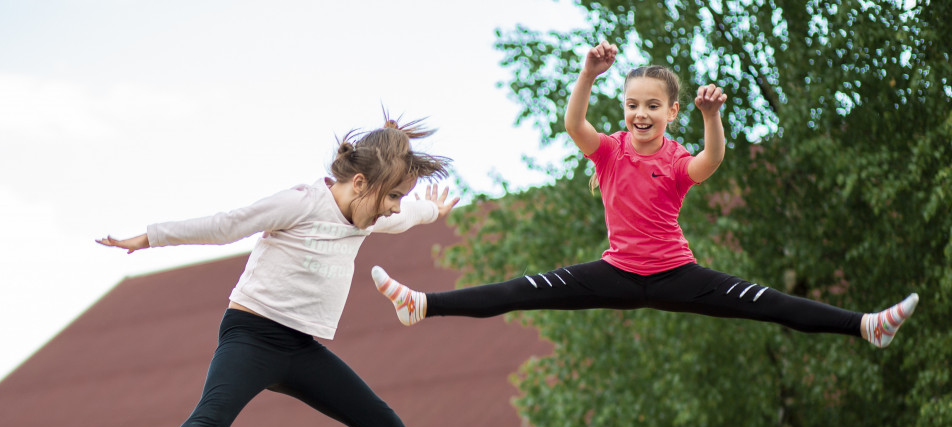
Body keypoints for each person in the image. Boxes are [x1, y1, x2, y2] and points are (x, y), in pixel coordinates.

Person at [96, 118, 523, 427]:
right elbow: (226, 225)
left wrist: (432, 210)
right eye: (391, 195)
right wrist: (149, 237)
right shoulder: (300, 202)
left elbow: (407, 215)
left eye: (398, 197)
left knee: (385, 425)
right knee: (213, 415)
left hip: (300, 348)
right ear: (359, 183)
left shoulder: (368, 215)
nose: (393, 206)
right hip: (250, 335)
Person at [371, 41, 918, 349]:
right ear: (625, 109)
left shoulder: (677, 157)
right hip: (616, 272)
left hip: (678, 275)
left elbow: (711, 162)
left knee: (767, 303)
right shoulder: (609, 150)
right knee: (523, 290)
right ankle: (421, 305)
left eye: (652, 106)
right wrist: (588, 72)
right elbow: (573, 122)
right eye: (633, 104)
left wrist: (712, 118)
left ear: (670, 112)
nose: (640, 114)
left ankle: (865, 326)